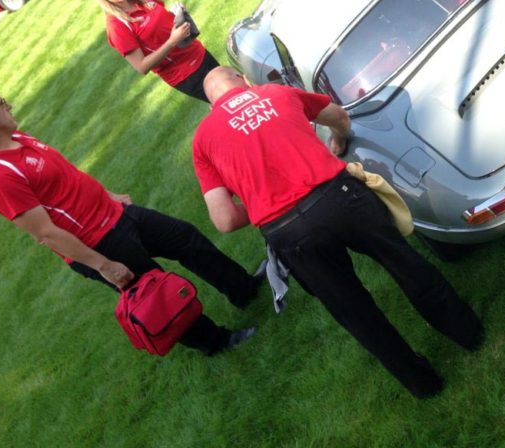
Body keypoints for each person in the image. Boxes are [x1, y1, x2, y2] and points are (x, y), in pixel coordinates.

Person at [192, 66, 484, 398]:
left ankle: (423, 383)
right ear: (244, 81)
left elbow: (225, 220)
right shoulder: (275, 93)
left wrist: (260, 197)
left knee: (353, 311)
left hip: (288, 231)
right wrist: (338, 141)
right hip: (341, 199)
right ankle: (468, 333)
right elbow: (339, 118)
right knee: (405, 264)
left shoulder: (203, 140)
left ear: (212, 105)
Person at [0, 85, 261, 356]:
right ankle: (217, 342)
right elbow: (45, 233)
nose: (10, 105)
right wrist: (103, 266)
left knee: (185, 238)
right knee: (158, 296)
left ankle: (244, 289)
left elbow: (66, 175)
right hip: (99, 244)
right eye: (2, 103)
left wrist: (108, 195)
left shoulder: (17, 137)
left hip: (116, 214)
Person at [88, 0, 218, 102]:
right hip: (186, 73)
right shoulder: (117, 26)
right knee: (227, 103)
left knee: (234, 92)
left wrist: (177, 14)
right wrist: (172, 41)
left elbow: (160, 22)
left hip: (199, 52)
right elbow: (142, 66)